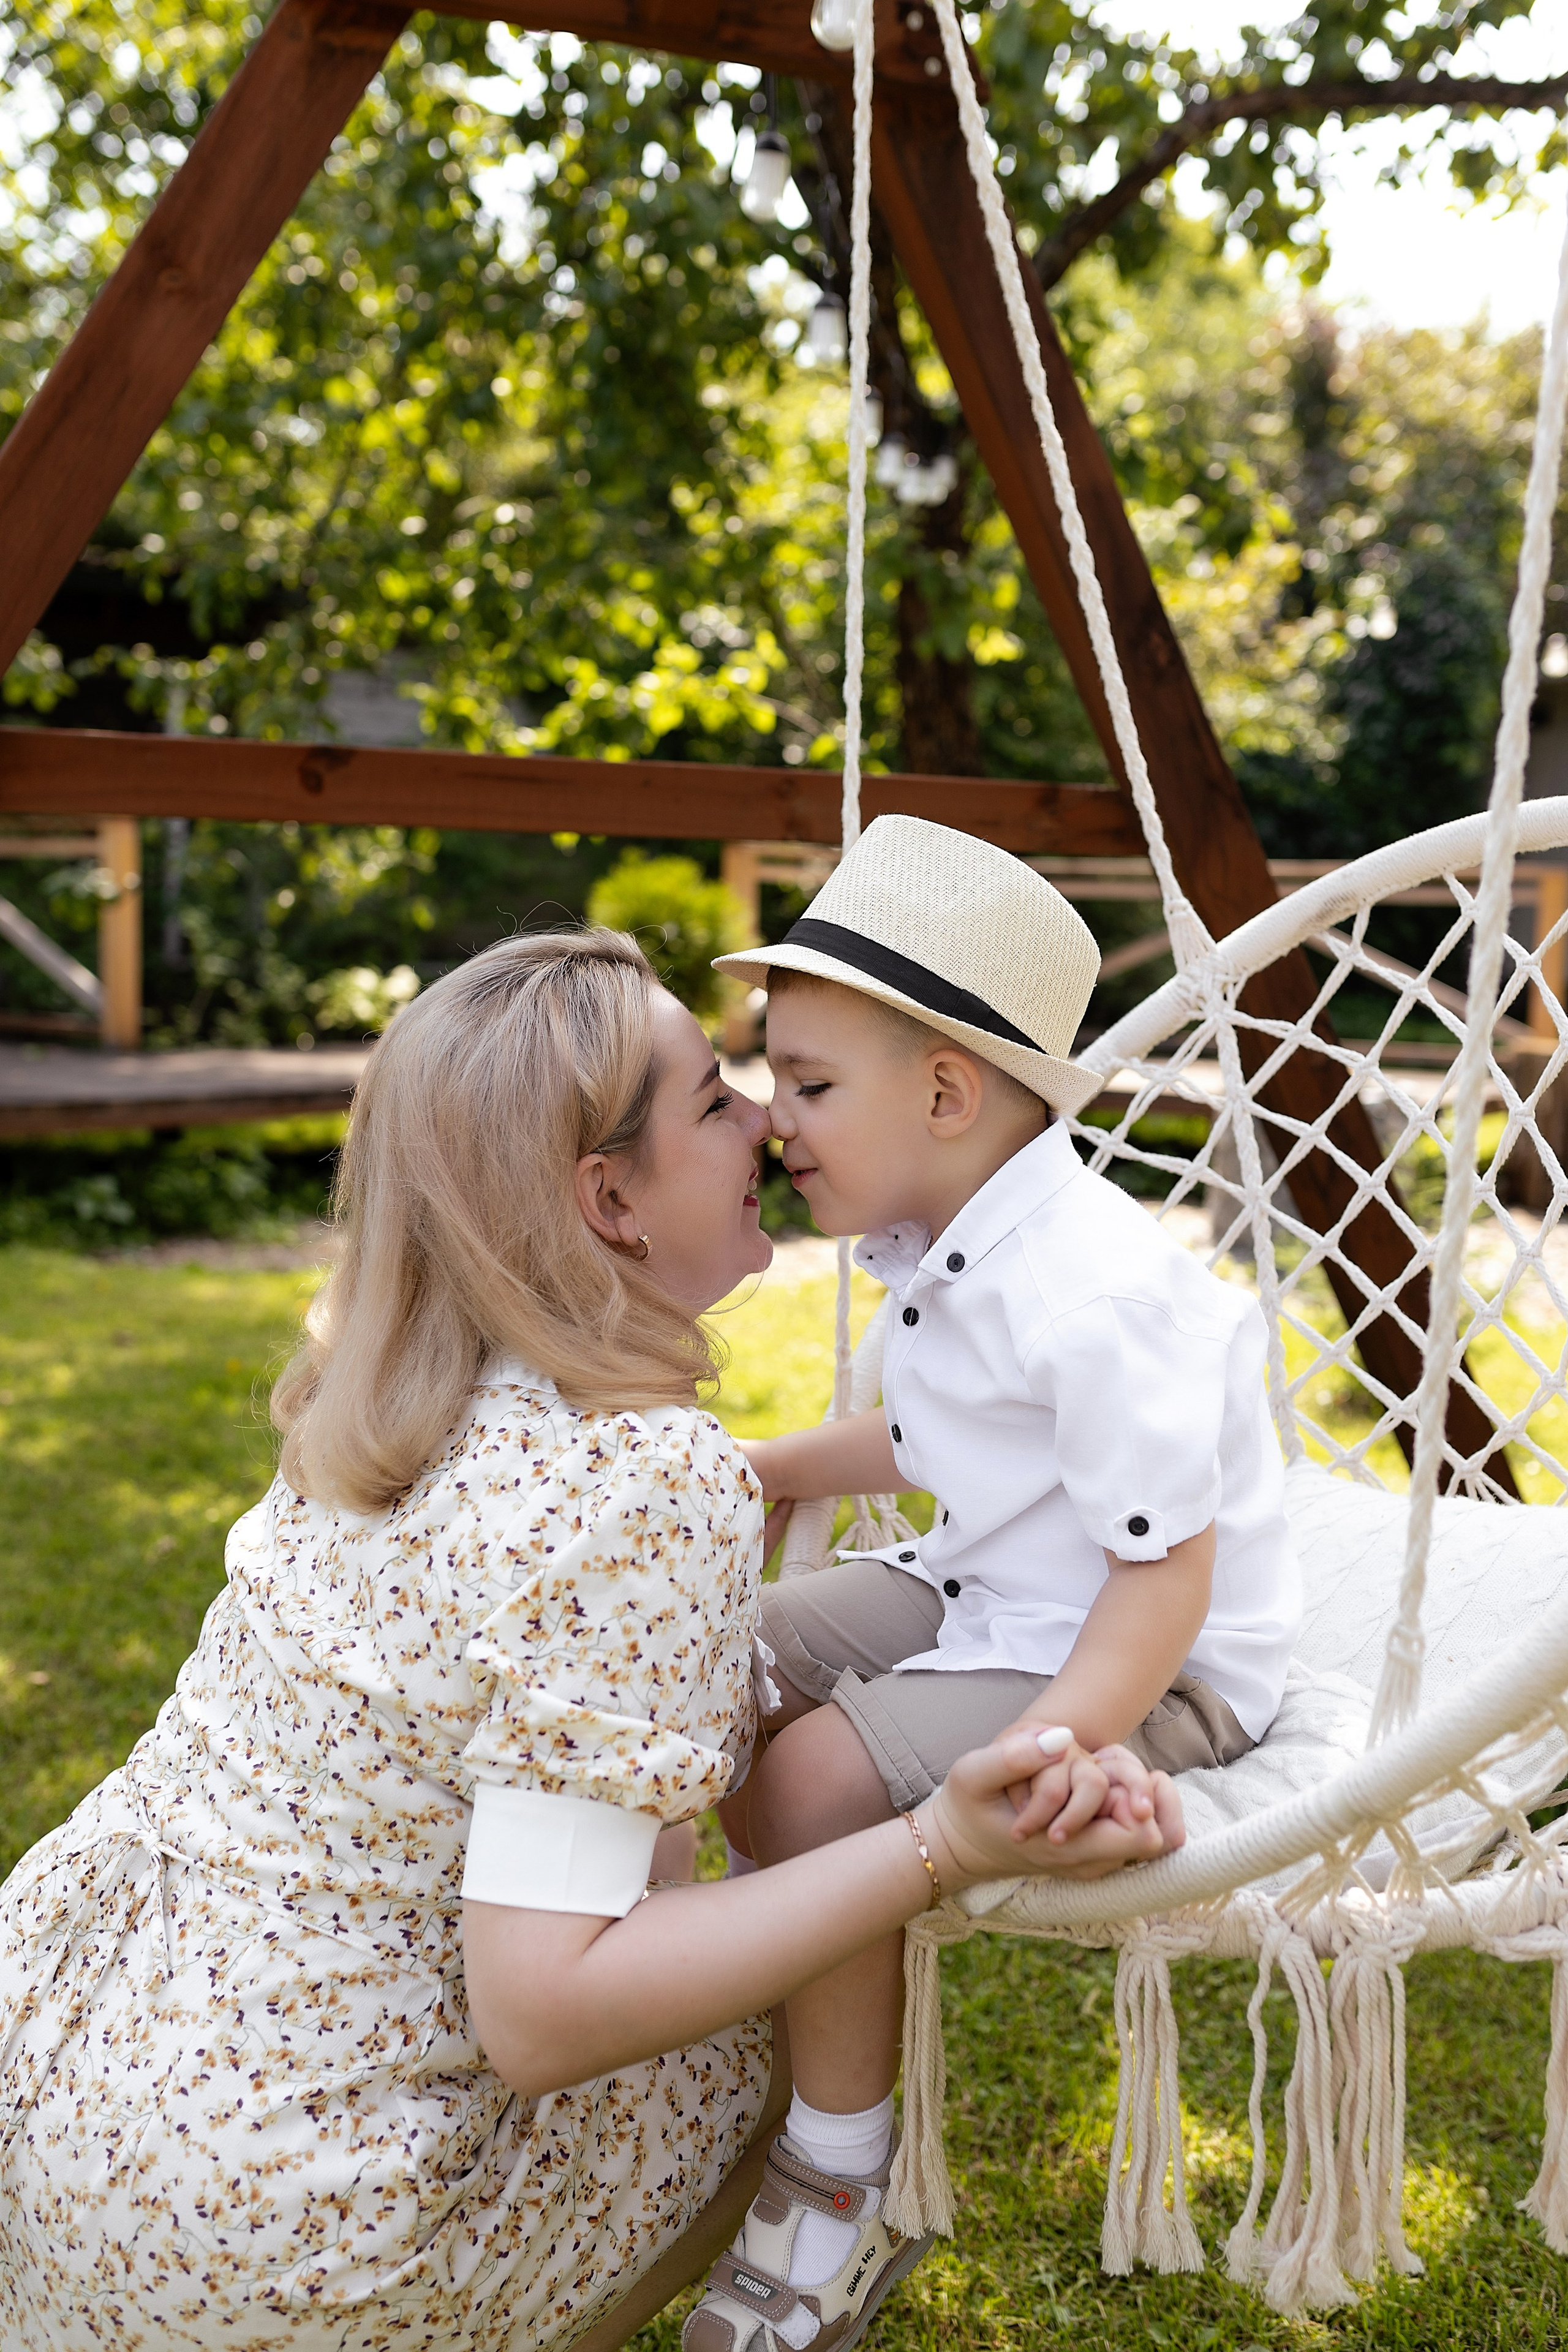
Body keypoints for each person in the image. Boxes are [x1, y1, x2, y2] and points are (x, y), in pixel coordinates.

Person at [0, 927, 1180, 2352]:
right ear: (607, 1197)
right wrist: (941, 1851)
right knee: (774, 2010)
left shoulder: (378, 1397)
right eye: (708, 1100)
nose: (760, 1115)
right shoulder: (637, 1483)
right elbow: (549, 2021)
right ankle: (802, 2225)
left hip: (73, 2105)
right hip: (297, 2233)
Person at [682, 815, 1299, 2348]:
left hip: (1159, 1662)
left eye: (807, 1085)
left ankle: (837, 2174)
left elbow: (1161, 1581)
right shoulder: (948, 1235)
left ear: (946, 1092)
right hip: (988, 1594)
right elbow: (934, 1434)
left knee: (811, 1785)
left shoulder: (1096, 1296)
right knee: (705, 1654)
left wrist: (1063, 1747)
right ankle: (695, 1997)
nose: (772, 1122)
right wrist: (767, 1466)